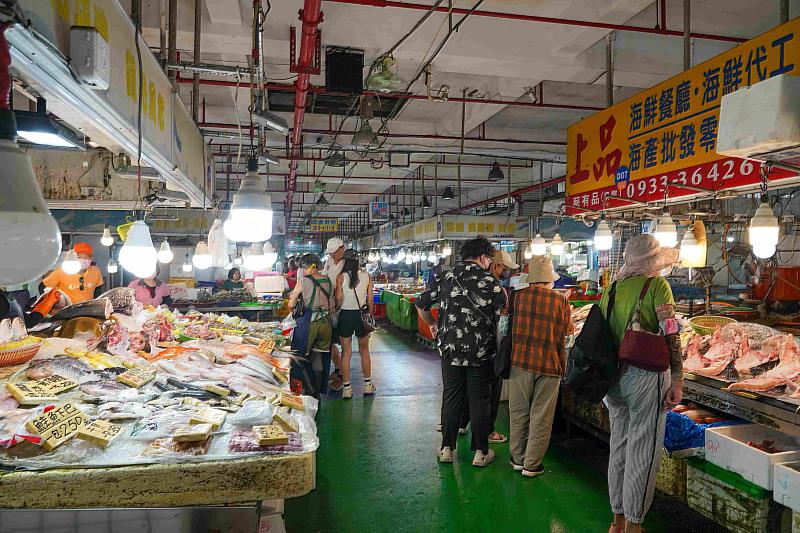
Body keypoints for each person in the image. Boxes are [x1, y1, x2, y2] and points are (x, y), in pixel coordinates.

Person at [601, 235, 682, 533]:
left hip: (613, 379)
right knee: (643, 453)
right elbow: (672, 334)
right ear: (652, 261)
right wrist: (678, 379)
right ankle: (634, 526)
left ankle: (617, 522)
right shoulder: (657, 286)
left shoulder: (611, 288)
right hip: (645, 377)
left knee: (619, 447)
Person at [417, 237, 506, 467]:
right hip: (481, 352)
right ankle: (480, 452)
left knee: (452, 396)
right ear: (484, 258)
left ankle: (446, 448)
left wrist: (432, 324)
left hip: (450, 350)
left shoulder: (445, 277)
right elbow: (503, 315)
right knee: (480, 399)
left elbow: (421, 304)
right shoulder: (491, 282)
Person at [508, 255, 573, 478]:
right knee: (541, 416)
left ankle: (517, 458)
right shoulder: (561, 301)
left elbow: (505, 326)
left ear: (530, 279)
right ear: (549, 279)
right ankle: (531, 465)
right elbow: (568, 331)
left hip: (520, 363)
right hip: (550, 365)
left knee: (518, 412)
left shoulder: (516, 297)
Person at [288, 254, 336, 399]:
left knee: (300, 356)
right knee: (319, 356)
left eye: (304, 267)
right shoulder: (328, 280)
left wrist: (293, 307)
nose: (303, 270)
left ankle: (304, 389)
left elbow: (291, 303)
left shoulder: (303, 281)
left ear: (312, 266)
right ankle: (317, 391)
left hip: (310, 323)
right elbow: (333, 305)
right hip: (326, 323)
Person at [334, 249, 376, 399]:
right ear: (358, 261)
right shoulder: (367, 276)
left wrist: (338, 306)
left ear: (345, 261)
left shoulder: (341, 277)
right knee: (364, 350)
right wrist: (370, 316)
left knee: (346, 352)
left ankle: (347, 388)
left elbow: (338, 300)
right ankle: (367, 385)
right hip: (361, 316)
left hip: (345, 315)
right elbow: (370, 300)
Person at [322, 238, 346, 392]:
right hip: (330, 306)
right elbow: (324, 279)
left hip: (344, 307)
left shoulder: (348, 264)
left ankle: (343, 375)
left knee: (345, 344)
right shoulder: (329, 262)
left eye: (334, 252)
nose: (332, 255)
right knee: (330, 341)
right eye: (330, 253)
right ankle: (337, 369)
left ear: (342, 248)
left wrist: (337, 304)